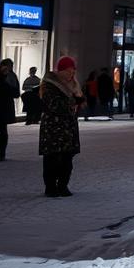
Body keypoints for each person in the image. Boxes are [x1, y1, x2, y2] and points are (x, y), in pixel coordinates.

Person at [40, 56, 83, 197]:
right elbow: (54, 105)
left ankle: (63, 186)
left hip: (67, 128)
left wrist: (79, 100)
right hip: (53, 128)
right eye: (70, 71)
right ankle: (51, 187)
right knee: (52, 158)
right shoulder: (50, 85)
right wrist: (73, 101)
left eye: (73, 71)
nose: (72, 74)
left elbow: (75, 105)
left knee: (67, 159)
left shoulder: (73, 85)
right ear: (62, 71)